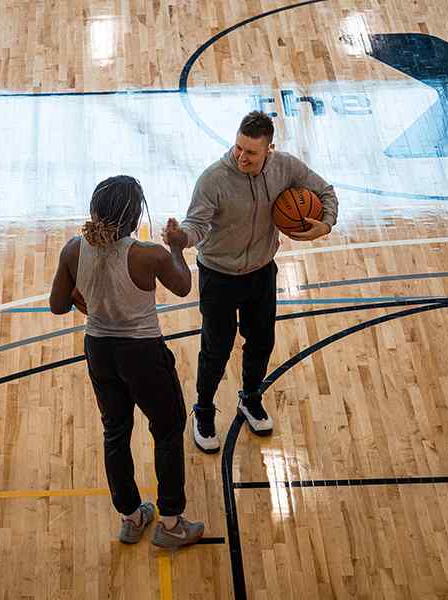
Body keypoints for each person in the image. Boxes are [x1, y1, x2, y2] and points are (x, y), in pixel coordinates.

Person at [163, 111, 338, 453]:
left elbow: (326, 191)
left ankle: (251, 397)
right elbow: (196, 226)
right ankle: (203, 410)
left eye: (251, 152)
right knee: (216, 349)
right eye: (238, 148)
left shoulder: (286, 167)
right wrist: (179, 237)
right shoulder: (213, 179)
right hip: (219, 275)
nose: (241, 156)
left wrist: (326, 223)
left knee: (261, 342)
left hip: (261, 272)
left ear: (269, 149)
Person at [49, 175, 205, 547]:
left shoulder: (73, 249)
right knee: (167, 430)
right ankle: (170, 523)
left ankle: (132, 517)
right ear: (135, 215)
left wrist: (76, 290)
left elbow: (57, 305)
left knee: (115, 432)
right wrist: (177, 250)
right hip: (142, 353)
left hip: (100, 351)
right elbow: (183, 286)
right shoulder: (148, 254)